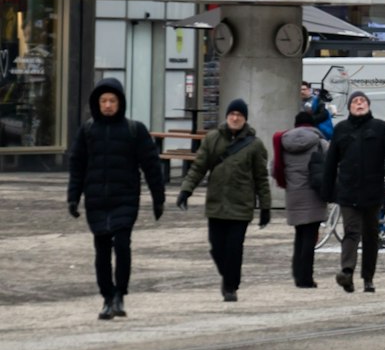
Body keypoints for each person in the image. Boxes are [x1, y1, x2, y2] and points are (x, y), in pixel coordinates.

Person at [67, 78, 163, 320]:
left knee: (122, 244)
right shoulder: (88, 130)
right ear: (96, 104)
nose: (108, 105)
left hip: (125, 198)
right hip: (97, 199)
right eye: (103, 101)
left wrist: (158, 198)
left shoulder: (134, 130)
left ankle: (120, 292)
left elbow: (151, 165)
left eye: (112, 100)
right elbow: (77, 165)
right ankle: (107, 297)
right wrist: (73, 197)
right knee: (101, 250)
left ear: (120, 103)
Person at [177, 98, 272, 303]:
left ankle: (231, 286)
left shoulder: (255, 145)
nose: (235, 118)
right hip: (216, 203)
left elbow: (261, 178)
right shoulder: (212, 139)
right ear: (227, 116)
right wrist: (186, 190)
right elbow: (198, 167)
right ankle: (227, 276)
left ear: (244, 119)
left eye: (239, 115)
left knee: (234, 248)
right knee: (216, 247)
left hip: (241, 205)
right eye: (232, 114)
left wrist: (265, 207)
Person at [322, 90, 385, 294]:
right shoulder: (341, 129)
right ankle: (347, 272)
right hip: (348, 191)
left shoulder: (379, 128)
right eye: (355, 102)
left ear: (368, 106)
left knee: (371, 235)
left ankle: (368, 277)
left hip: (372, 190)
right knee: (351, 231)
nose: (359, 104)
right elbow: (331, 162)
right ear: (349, 107)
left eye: (362, 101)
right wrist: (327, 190)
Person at [273, 110, 328, 289]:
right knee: (310, 237)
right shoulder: (319, 142)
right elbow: (332, 163)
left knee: (299, 235)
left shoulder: (283, 142)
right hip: (314, 194)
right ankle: (306, 278)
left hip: (294, 194)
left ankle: (297, 274)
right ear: (312, 125)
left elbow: (273, 168)